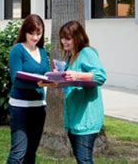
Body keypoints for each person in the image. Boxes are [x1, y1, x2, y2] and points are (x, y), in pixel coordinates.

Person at [59, 20, 106, 164]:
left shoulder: (87, 52)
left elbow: (100, 76)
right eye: (62, 38)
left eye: (68, 38)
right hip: (74, 119)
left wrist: (77, 75)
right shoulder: (69, 57)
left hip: (86, 119)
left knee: (84, 160)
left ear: (77, 37)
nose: (64, 42)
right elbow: (70, 84)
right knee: (81, 159)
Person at [7, 14, 50, 164]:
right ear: (25, 31)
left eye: (38, 33)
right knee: (18, 153)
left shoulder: (42, 52)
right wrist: (36, 84)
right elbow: (16, 80)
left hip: (39, 107)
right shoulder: (17, 50)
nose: (35, 37)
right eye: (32, 33)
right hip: (20, 108)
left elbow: (46, 73)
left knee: (31, 152)